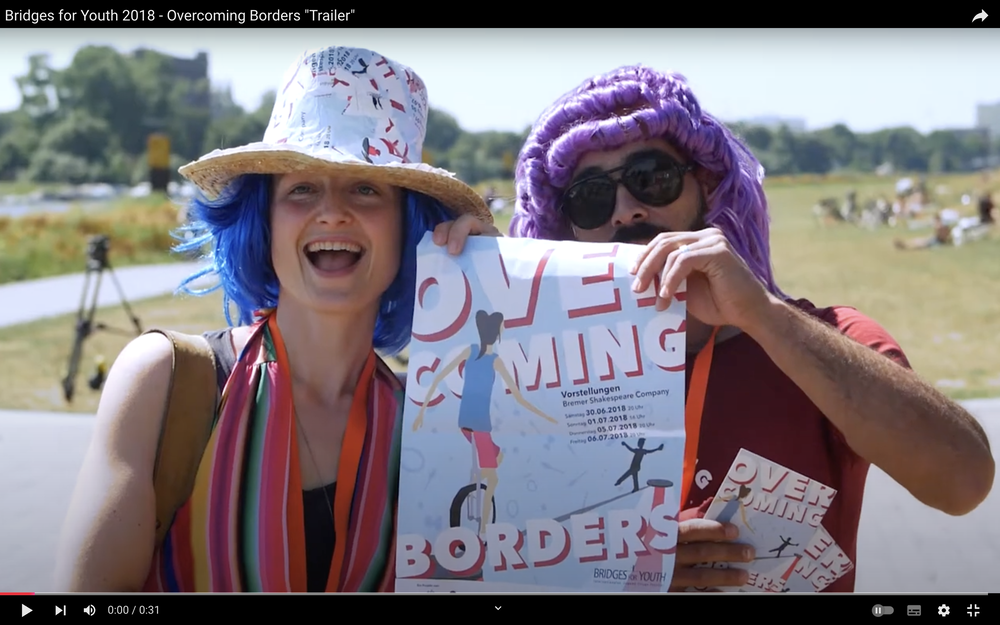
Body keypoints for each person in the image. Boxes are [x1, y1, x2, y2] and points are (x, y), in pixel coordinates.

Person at [505, 65, 995, 592]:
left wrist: (763, 315)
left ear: (707, 185)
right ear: (566, 226)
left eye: (650, 176)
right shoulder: (535, 373)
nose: (626, 211)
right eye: (591, 196)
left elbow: (962, 482)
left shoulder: (827, 338)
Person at [53, 45, 499, 593]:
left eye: (366, 188)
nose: (332, 211)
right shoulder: (167, 382)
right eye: (301, 188)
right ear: (262, 221)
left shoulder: (431, 425)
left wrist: (499, 289)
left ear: (408, 229)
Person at [411, 309, 557, 535]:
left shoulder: (470, 352)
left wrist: (421, 412)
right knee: (494, 479)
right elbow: (518, 396)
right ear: (497, 334)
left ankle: (478, 482)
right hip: (480, 425)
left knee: (498, 456)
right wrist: (547, 417)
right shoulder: (495, 361)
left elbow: (439, 376)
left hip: (464, 421)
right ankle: (483, 530)